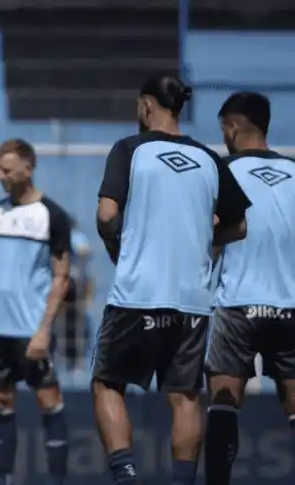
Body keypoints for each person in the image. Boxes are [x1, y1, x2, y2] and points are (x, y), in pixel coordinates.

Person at [92, 74, 251, 485]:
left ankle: (126, 476)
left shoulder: (130, 148)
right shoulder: (209, 158)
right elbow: (239, 228)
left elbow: (107, 214)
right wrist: (201, 239)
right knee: (184, 397)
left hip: (138, 293)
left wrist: (116, 246)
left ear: (146, 105)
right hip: (192, 300)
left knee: (108, 384)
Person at [0, 139, 71, 485]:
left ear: (28, 168)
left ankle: (57, 480)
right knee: (0, 401)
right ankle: (3, 480)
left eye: (6, 170)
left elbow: (61, 277)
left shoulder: (51, 216)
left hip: (31, 330)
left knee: (49, 399)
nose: (0, 176)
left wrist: (44, 329)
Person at [205, 92, 295, 484]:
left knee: (224, 403)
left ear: (232, 128)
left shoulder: (220, 172)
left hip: (237, 305)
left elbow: (207, 233)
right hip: (290, 304)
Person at [62, 221, 94, 374]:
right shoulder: (72, 237)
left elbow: (84, 255)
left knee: (78, 323)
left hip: (74, 283)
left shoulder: (76, 238)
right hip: (68, 283)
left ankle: (77, 360)